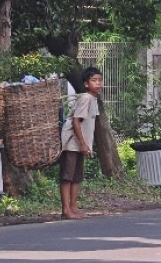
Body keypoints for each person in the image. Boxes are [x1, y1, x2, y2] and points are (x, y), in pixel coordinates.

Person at [60, 66, 103, 219]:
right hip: (72, 143)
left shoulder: (93, 99)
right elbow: (76, 122)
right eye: (94, 80)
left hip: (80, 143)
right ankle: (66, 210)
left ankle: (74, 207)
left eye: (99, 80)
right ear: (86, 84)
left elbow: (89, 124)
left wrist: (87, 144)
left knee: (77, 176)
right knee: (67, 176)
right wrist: (83, 144)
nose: (98, 83)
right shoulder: (85, 98)